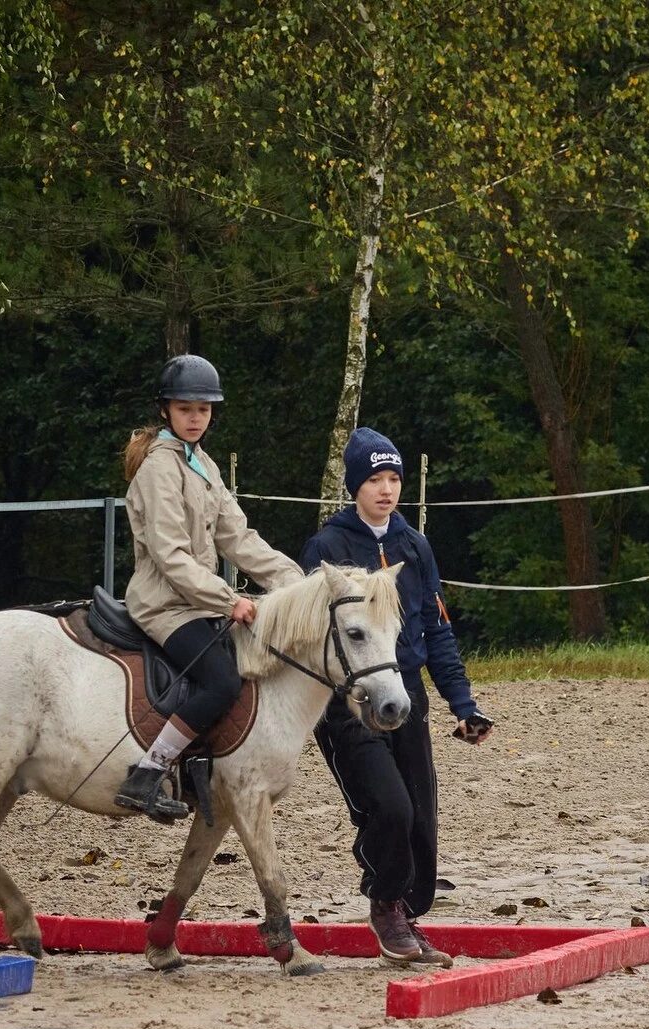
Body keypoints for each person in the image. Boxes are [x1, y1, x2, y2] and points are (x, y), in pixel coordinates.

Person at [301, 427, 493, 965]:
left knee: (421, 821)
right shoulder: (328, 547)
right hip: (348, 699)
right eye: (374, 479)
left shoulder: (414, 545)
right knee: (388, 807)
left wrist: (463, 705)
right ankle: (384, 905)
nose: (386, 489)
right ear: (355, 486)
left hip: (405, 692)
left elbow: (437, 632)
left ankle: (407, 915)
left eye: (393, 479)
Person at [114, 354, 303, 822]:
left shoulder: (202, 464)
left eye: (203, 409)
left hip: (197, 602)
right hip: (165, 605)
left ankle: (202, 765)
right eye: (185, 409)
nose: (195, 418)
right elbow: (171, 557)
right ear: (165, 411)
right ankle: (148, 772)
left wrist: (294, 582)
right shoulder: (159, 469)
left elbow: (237, 537)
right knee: (221, 680)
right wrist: (230, 599)